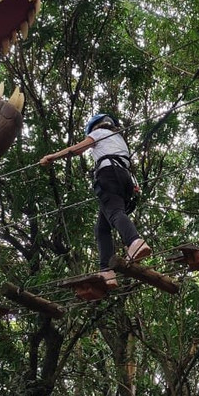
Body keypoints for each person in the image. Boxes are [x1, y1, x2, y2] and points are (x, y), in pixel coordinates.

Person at [40, 113, 151, 285]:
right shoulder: (119, 138)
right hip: (124, 179)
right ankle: (106, 271)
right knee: (101, 228)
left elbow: (76, 149)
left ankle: (134, 241)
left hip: (108, 174)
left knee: (115, 212)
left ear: (95, 127)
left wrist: (52, 157)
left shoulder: (99, 133)